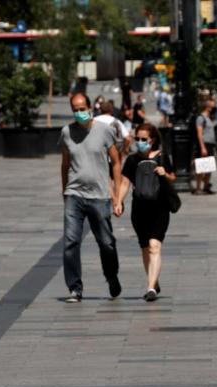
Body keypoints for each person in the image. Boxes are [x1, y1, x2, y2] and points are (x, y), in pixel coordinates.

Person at [59, 93, 123, 303]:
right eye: (75, 110)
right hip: (74, 194)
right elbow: (65, 164)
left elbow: (115, 161)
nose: (79, 113)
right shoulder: (67, 132)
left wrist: (117, 196)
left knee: (106, 243)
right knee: (70, 241)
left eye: (82, 108)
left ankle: (111, 276)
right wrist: (64, 190)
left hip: (100, 195)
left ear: (90, 108)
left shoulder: (104, 131)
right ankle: (75, 288)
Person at [116, 123, 176, 302]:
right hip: (139, 210)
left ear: (153, 140)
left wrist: (164, 173)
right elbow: (125, 182)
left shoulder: (162, 157)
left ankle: (150, 288)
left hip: (160, 209)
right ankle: (154, 280)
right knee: (145, 248)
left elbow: (173, 178)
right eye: (138, 139)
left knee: (155, 246)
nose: (140, 142)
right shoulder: (132, 160)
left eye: (144, 139)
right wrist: (119, 201)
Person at [193, 97, 217, 195]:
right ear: (207, 106)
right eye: (211, 104)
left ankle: (206, 186)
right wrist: (202, 147)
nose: (213, 106)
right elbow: (199, 133)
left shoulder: (209, 118)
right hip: (204, 144)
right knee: (201, 167)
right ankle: (198, 188)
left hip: (210, 144)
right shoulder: (200, 118)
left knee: (209, 167)